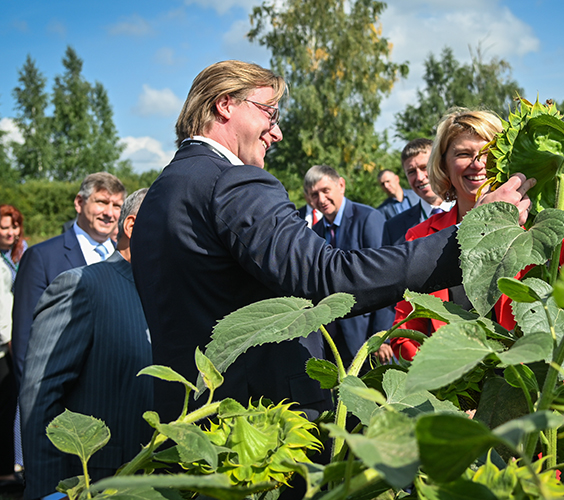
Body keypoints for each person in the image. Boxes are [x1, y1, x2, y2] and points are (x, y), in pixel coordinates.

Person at [129, 61, 538, 422]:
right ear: (225, 104)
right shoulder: (232, 182)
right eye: (270, 113)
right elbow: (326, 277)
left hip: (190, 416)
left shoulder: (159, 196)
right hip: (258, 422)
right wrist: (478, 233)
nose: (278, 132)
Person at [391, 109, 564, 361]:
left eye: (487, 153)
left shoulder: (533, 225)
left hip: (527, 375)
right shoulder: (422, 236)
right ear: (444, 166)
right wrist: (440, 377)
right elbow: (404, 331)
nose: (478, 163)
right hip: (453, 386)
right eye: (463, 154)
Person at [19, 189, 152, 500]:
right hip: (95, 483)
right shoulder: (82, 286)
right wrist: (50, 493)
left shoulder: (169, 295)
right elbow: (40, 398)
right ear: (132, 227)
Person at [12, 173, 126, 384]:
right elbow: (24, 340)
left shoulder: (127, 257)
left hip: (118, 393)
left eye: (117, 205)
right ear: (79, 203)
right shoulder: (42, 257)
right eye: (101, 202)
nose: (109, 213)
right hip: (62, 397)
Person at [305, 165, 391, 366]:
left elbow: (385, 279)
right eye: (314, 195)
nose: (322, 199)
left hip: (366, 332)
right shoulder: (314, 232)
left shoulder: (368, 218)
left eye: (325, 191)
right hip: (332, 337)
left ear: (341, 185)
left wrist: (382, 337)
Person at [383, 139, 454, 246]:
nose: (420, 177)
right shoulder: (394, 228)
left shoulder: (471, 210)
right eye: (411, 172)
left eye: (424, 167)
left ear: (441, 166)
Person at [0, 205, 26, 485]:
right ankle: (7, 470)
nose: (10, 232)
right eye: (4, 227)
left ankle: (13, 464)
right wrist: (10, 339)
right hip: (5, 343)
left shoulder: (19, 254)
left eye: (14, 226)